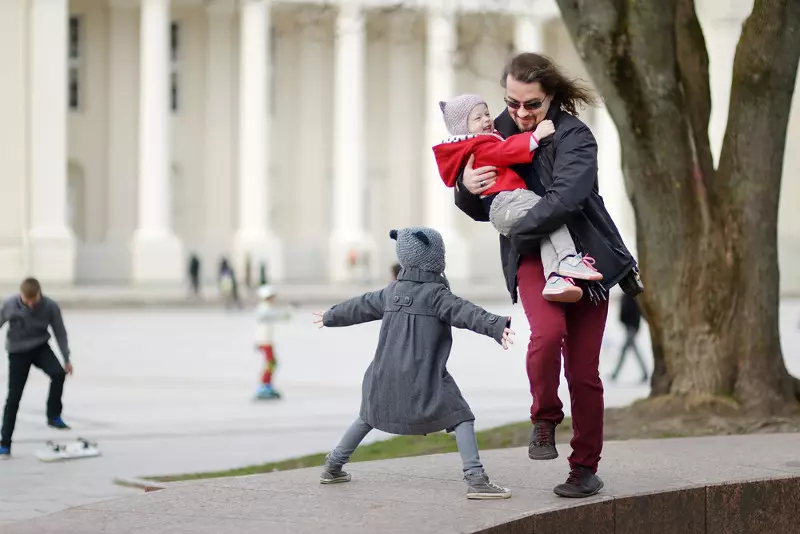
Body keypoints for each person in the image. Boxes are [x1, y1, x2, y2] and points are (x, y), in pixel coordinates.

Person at [453, 53, 641, 498]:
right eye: (511, 103)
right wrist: (467, 186)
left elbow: (565, 200)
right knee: (545, 334)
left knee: (584, 373)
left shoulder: (575, 136)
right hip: (533, 257)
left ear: (550, 97)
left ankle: (584, 468)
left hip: (585, 257)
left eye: (531, 105)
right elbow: (477, 196)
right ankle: (545, 418)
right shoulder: (495, 129)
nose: (519, 114)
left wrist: (511, 223)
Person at [313, 227, 514, 500]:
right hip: (425, 378)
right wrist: (496, 325)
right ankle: (475, 478)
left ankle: (333, 466)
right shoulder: (437, 295)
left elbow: (359, 306)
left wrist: (330, 316)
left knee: (367, 417)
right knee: (462, 417)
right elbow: (466, 312)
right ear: (437, 258)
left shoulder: (391, 291)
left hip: (383, 374)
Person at [433, 93, 602, 302]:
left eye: (486, 113)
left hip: (505, 207)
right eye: (477, 118)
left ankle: (555, 277)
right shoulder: (478, 145)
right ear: (463, 128)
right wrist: (536, 136)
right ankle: (568, 258)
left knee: (544, 231)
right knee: (551, 215)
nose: (486, 119)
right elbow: (505, 150)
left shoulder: (476, 144)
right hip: (507, 202)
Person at [1, 278, 73, 457]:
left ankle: (53, 416)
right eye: (27, 300)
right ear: (21, 295)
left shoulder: (50, 306)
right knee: (14, 397)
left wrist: (66, 359)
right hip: (18, 352)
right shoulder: (10, 304)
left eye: (34, 300)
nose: (31, 304)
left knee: (58, 374)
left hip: (40, 347)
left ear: (40, 293)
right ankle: (4, 443)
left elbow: (60, 332)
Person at [253, 284, 291, 400]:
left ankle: (267, 384)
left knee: (272, 362)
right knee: (271, 363)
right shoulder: (264, 308)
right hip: (264, 341)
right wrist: (287, 313)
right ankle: (264, 386)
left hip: (268, 340)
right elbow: (271, 316)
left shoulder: (267, 307)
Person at [609, 293, 647, 383]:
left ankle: (615, 374)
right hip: (629, 326)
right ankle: (644, 373)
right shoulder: (628, 296)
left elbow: (633, 313)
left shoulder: (633, 296)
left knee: (625, 350)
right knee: (633, 350)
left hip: (631, 327)